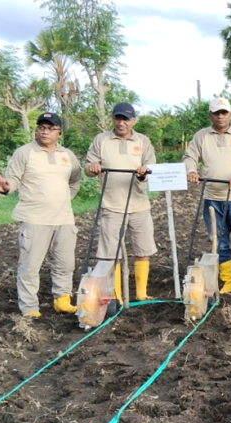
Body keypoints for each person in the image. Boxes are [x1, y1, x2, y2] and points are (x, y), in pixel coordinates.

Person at [0, 112, 81, 318]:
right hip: (35, 219)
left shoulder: (67, 155)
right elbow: (12, 178)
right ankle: (29, 307)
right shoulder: (24, 152)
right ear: (36, 130)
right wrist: (5, 187)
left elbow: (75, 180)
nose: (45, 131)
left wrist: (64, 199)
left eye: (50, 128)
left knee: (65, 263)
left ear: (59, 133)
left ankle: (62, 300)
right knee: (30, 266)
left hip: (64, 219)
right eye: (41, 127)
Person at [184, 97, 231, 300]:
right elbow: (190, 156)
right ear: (210, 115)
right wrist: (191, 171)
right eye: (216, 113)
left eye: (224, 112)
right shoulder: (201, 136)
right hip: (212, 197)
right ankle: (228, 282)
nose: (220, 116)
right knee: (219, 242)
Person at [85, 102, 156, 302]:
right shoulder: (101, 140)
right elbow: (88, 167)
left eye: (126, 119)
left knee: (143, 250)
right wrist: (93, 167)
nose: (121, 123)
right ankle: (116, 295)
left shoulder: (143, 141)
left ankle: (141, 293)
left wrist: (144, 172)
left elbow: (151, 167)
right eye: (118, 118)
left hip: (139, 204)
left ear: (133, 121)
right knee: (110, 253)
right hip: (111, 205)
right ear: (112, 119)